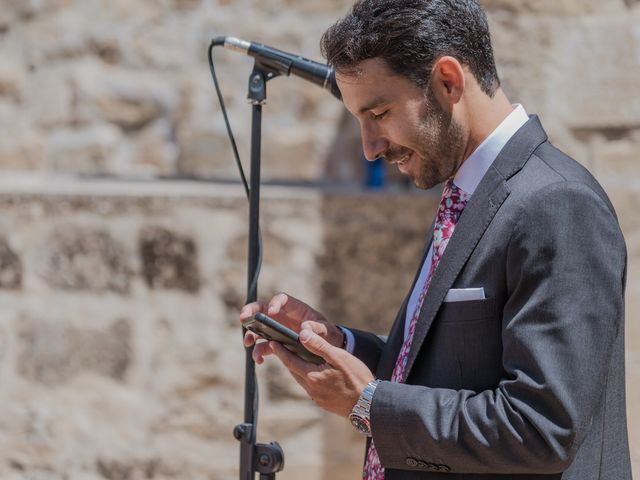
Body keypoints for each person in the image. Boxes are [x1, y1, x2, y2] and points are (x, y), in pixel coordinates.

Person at [239, 0, 632, 478]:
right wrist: (341, 347)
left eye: (379, 113)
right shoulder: (467, 193)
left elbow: (542, 428)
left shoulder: (558, 203)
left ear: (448, 80)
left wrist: (369, 404)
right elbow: (447, 372)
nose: (369, 148)